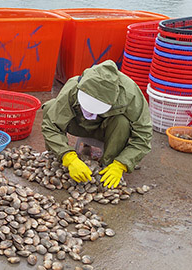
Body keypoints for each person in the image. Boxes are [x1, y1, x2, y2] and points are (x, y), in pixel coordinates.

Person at [42, 60, 152, 189]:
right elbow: (51, 126)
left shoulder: (130, 94)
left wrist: (122, 163)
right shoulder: (74, 85)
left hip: (107, 129)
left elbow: (143, 136)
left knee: (122, 121)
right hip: (79, 124)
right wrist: (68, 157)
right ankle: (54, 155)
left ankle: (109, 166)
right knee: (50, 108)